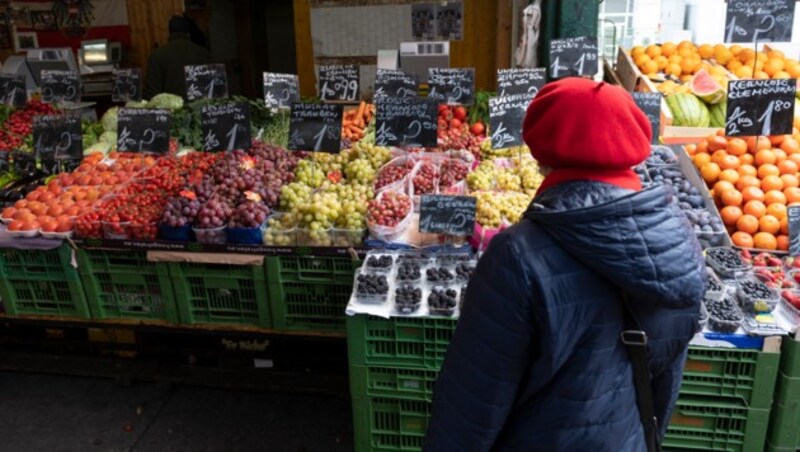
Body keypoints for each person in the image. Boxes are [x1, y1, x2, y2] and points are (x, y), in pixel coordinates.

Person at [424, 78, 706, 451]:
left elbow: (473, 401)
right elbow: (664, 383)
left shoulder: (517, 255)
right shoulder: (679, 244)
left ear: (541, 149)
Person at [143, 15, 214, 100]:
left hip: (173, 110)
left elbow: (151, 92)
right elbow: (213, 87)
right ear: (188, 33)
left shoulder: (157, 55)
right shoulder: (203, 53)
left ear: (170, 32)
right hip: (198, 108)